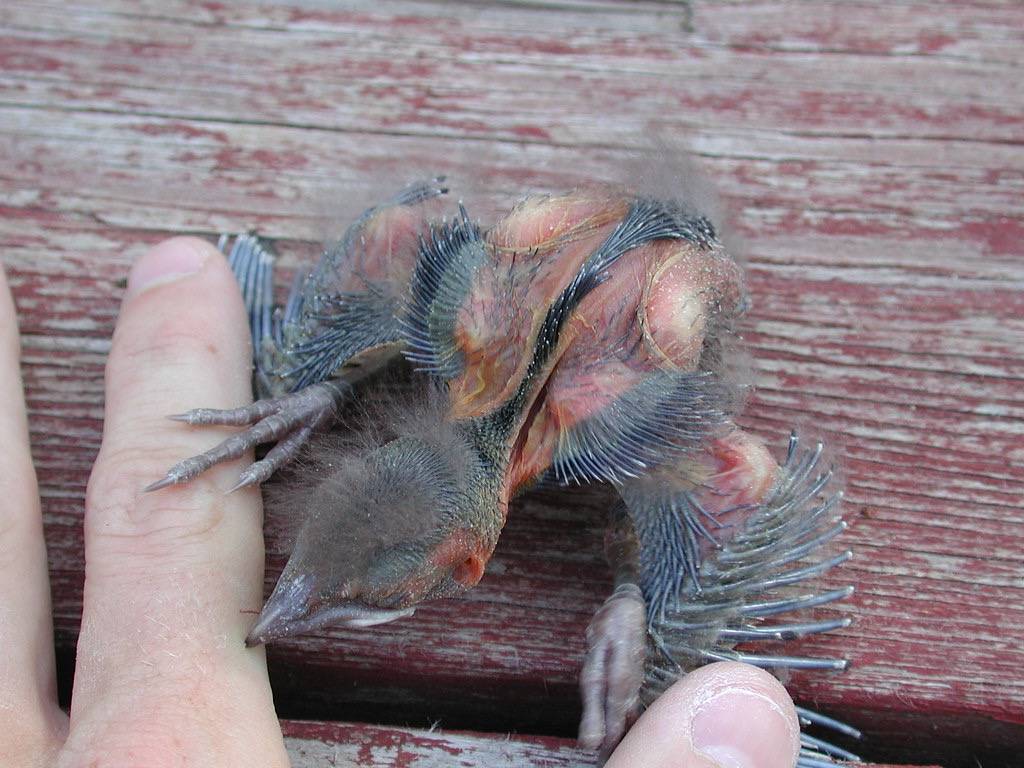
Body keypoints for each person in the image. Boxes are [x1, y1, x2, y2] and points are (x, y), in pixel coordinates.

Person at [0, 240, 801, 767]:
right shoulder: (467, 331)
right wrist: (326, 385)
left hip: (656, 307)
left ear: (468, 562)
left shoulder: (609, 413)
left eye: (371, 596)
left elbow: (722, 478)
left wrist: (636, 601)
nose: (274, 618)